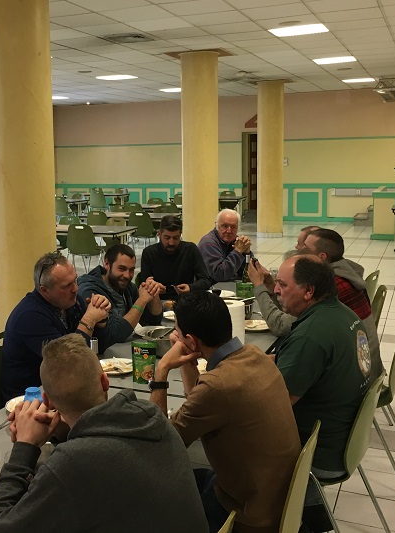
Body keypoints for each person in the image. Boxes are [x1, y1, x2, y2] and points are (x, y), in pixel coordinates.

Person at [0, 334, 208, 533]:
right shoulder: (151, 415)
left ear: (47, 400)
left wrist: (24, 447)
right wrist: (62, 431)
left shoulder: (71, 463)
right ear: (105, 381)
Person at [150, 292, 301, 533]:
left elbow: (160, 446)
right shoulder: (255, 355)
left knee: (156, 495)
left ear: (191, 340)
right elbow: (199, 400)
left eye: (177, 331)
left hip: (247, 515)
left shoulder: (217, 386)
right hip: (279, 500)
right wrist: (189, 360)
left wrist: (162, 370)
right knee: (194, 478)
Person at [272, 256, 375, 532]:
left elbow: (275, 406)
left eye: (282, 284)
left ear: (308, 291)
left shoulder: (310, 336)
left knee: (231, 436)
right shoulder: (344, 314)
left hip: (320, 453)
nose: (276, 290)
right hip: (346, 439)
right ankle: (312, 513)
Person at [1, 252, 111, 403]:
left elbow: (98, 349)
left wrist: (100, 320)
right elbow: (69, 363)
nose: (75, 288)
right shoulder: (30, 316)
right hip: (30, 400)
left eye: (75, 280)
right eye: (66, 286)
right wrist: (89, 319)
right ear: (44, 290)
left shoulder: (70, 301)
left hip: (63, 388)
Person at [302, 228, 383, 380]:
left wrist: (262, 286)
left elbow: (282, 325)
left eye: (304, 248)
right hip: (366, 368)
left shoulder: (333, 286)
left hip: (359, 379)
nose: (298, 250)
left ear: (322, 256)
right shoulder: (346, 272)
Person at [77, 243, 164, 344]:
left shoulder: (127, 286)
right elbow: (115, 335)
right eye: (122, 269)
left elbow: (153, 322)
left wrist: (153, 292)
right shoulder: (90, 291)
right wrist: (141, 301)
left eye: (131, 270)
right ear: (107, 264)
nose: (127, 275)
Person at [139, 214, 213, 302]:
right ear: (159, 234)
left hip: (186, 300)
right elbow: (144, 285)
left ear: (180, 234)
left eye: (175, 238)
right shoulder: (149, 253)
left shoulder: (190, 249)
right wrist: (154, 287)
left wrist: (190, 287)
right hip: (158, 300)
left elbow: (205, 280)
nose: (171, 243)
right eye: (167, 238)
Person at [197, 208, 252, 282]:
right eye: (225, 226)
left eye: (233, 227)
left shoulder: (235, 241)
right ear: (217, 226)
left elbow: (251, 274)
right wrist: (238, 252)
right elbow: (219, 275)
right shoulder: (208, 243)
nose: (229, 231)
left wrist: (246, 253)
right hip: (211, 286)